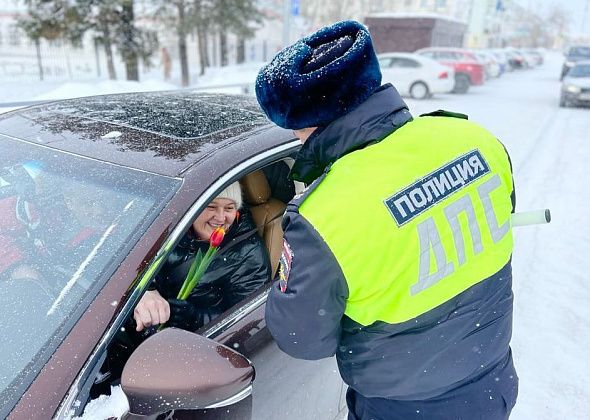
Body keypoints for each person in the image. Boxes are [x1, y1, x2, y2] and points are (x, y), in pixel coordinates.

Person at [256, 20, 518, 420]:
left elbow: (302, 338)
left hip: (405, 406)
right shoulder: (475, 139)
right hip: (492, 380)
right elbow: (496, 212)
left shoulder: (324, 215)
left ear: (309, 122)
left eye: (293, 129)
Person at [133, 181, 271, 333]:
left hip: (183, 341)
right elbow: (130, 260)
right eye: (211, 206)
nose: (220, 218)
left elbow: (244, 320)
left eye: (229, 208)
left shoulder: (248, 253)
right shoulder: (170, 227)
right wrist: (144, 290)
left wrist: (193, 317)